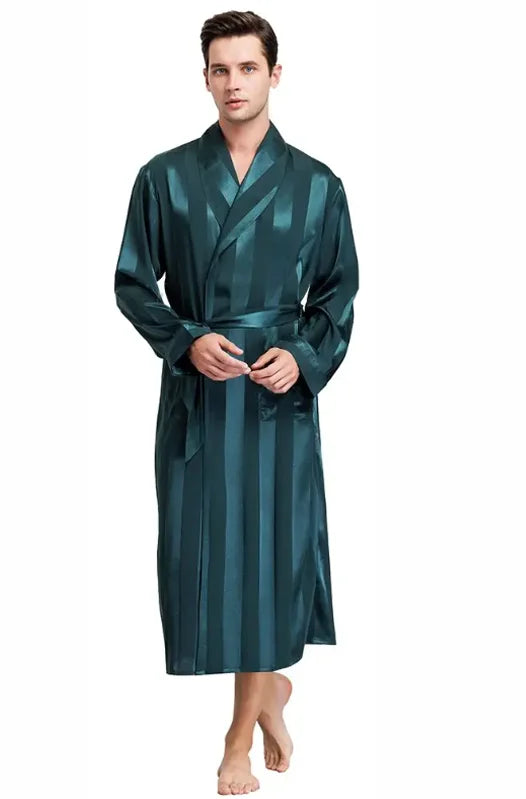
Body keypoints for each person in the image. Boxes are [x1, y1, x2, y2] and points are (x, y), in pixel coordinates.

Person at [114, 9, 359, 796]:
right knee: (205, 559)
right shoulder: (164, 176)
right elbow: (132, 283)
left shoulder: (317, 184)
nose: (234, 83)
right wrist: (184, 339)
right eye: (220, 69)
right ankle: (271, 692)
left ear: (274, 74)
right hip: (199, 394)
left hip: (275, 397)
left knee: (268, 559)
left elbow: (338, 294)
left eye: (248, 67)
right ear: (205, 78)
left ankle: (236, 738)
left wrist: (304, 355)